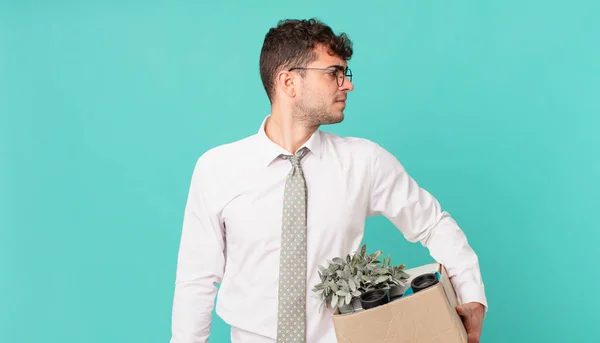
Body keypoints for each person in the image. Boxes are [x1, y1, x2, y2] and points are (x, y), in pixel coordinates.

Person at [169, 18, 487, 343]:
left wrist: (471, 294)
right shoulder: (216, 169)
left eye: (345, 74)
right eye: (334, 73)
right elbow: (196, 280)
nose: (347, 84)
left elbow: (433, 224)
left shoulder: (364, 162)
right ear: (289, 82)